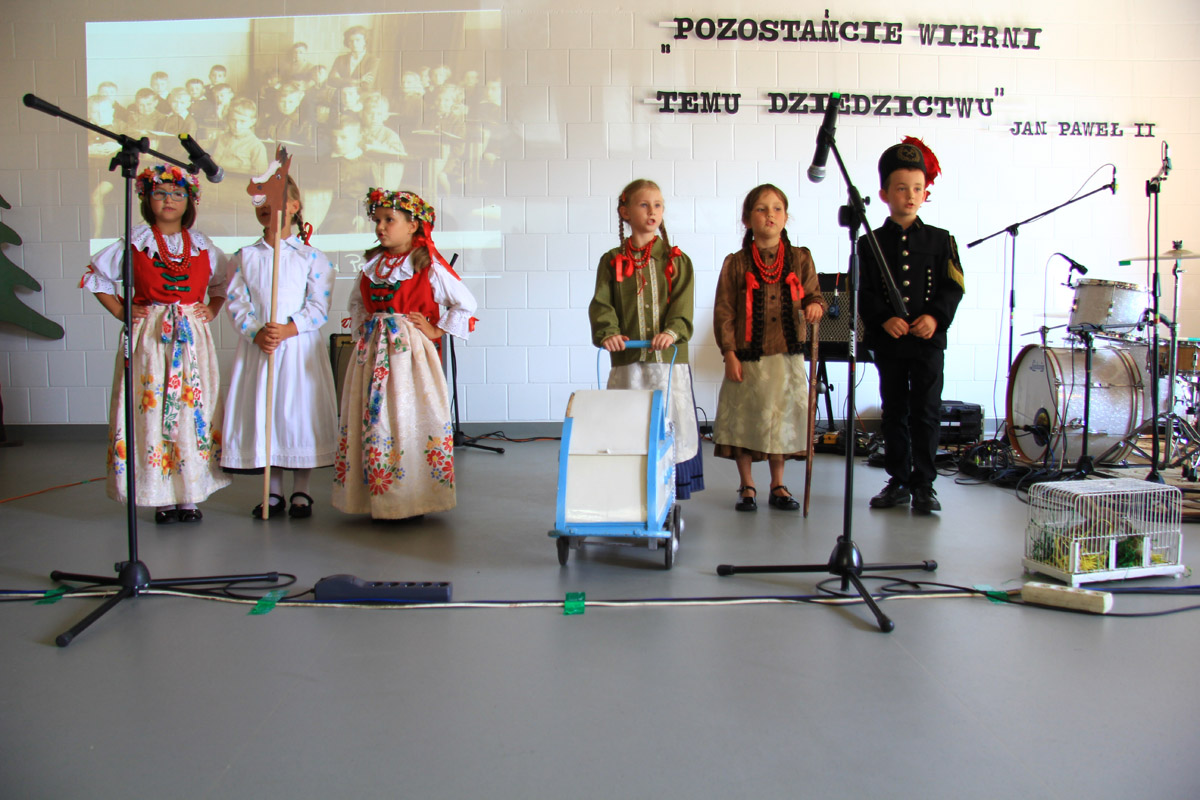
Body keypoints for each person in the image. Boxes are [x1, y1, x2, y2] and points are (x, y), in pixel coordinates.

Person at [79, 165, 230, 523]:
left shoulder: (204, 246)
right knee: (151, 410)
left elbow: (222, 283)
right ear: (147, 200)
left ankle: (189, 495)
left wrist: (211, 308)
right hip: (150, 336)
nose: (168, 200)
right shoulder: (134, 242)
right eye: (160, 194)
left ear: (189, 201)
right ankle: (159, 495)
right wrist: (121, 310)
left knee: (191, 410)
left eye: (177, 194)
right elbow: (96, 277)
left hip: (190, 338)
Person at [332, 189, 477, 520]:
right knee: (374, 417)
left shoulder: (426, 264)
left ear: (413, 225)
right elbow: (356, 302)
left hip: (409, 355)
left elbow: (465, 302)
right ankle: (376, 496)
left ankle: (410, 498)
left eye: (389, 220)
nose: (380, 227)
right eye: (377, 220)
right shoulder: (372, 265)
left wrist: (436, 329)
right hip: (373, 352)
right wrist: (365, 329)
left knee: (406, 415)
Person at [221, 174, 338, 519]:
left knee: (297, 414)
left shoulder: (312, 257)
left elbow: (319, 305)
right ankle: (272, 491)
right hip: (261, 348)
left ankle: (302, 489)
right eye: (260, 201)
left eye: (275, 201)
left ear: (294, 206)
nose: (267, 207)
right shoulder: (244, 257)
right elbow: (236, 302)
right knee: (267, 412)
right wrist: (256, 332)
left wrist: (289, 328)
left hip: (298, 348)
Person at [860, 137, 964, 513]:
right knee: (894, 411)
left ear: (925, 193)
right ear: (884, 194)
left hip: (927, 342)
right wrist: (883, 318)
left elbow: (954, 286)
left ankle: (924, 484)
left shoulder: (941, 240)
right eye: (901, 188)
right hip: (891, 342)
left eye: (917, 188)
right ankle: (898, 480)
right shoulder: (868, 243)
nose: (910, 195)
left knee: (926, 411)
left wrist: (934, 317)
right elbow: (863, 290)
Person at [589, 179, 704, 499]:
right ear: (625, 212)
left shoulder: (677, 261)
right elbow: (602, 304)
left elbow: (683, 305)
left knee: (671, 420)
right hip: (628, 360)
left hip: (668, 363)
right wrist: (609, 333)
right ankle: (630, 492)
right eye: (644, 204)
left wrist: (671, 332)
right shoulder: (611, 260)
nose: (652, 211)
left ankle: (670, 491)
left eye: (658, 205)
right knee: (627, 421)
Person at [712, 184, 825, 511]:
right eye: (761, 209)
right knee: (745, 419)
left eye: (777, 208)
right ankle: (747, 484)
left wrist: (815, 305)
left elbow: (815, 294)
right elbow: (724, 311)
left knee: (783, 420)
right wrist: (729, 353)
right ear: (747, 219)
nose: (769, 215)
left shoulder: (800, 258)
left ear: (786, 217)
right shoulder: (735, 263)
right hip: (747, 356)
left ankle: (778, 484)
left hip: (787, 355)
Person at [211, 97, 268, 177]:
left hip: (238, 181)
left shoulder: (257, 146)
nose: (237, 125)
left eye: (242, 121)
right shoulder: (221, 138)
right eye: (233, 120)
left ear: (252, 122)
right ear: (228, 120)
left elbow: (261, 176)